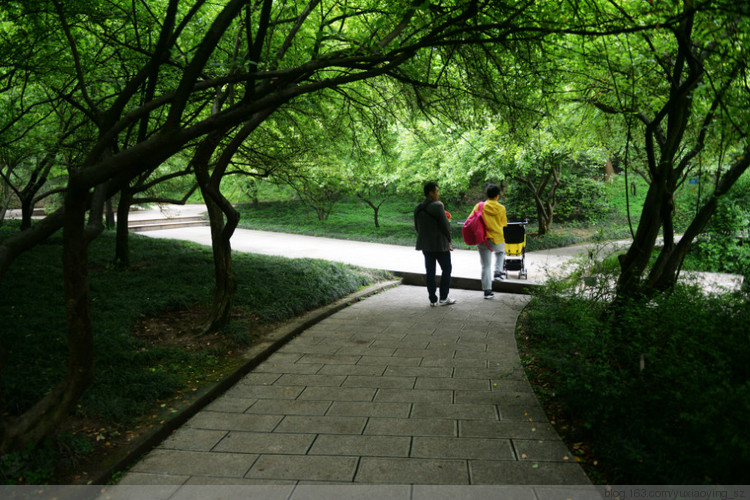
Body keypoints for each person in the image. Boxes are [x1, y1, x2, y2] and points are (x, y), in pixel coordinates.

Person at [414, 181, 456, 307]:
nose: (438, 194)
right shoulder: (438, 206)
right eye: (436, 191)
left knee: (430, 271)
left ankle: (432, 299)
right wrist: (449, 240)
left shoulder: (418, 208)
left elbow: (417, 227)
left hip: (425, 245)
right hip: (440, 245)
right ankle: (443, 297)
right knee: (447, 268)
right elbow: (446, 225)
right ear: (431, 193)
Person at [471, 184, 507, 299]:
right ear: (497, 196)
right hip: (497, 239)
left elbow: (471, 219)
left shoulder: (479, 206)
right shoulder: (501, 208)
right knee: (501, 252)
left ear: (487, 195)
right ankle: (498, 272)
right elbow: (503, 223)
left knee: (485, 266)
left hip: (483, 239)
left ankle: (487, 292)